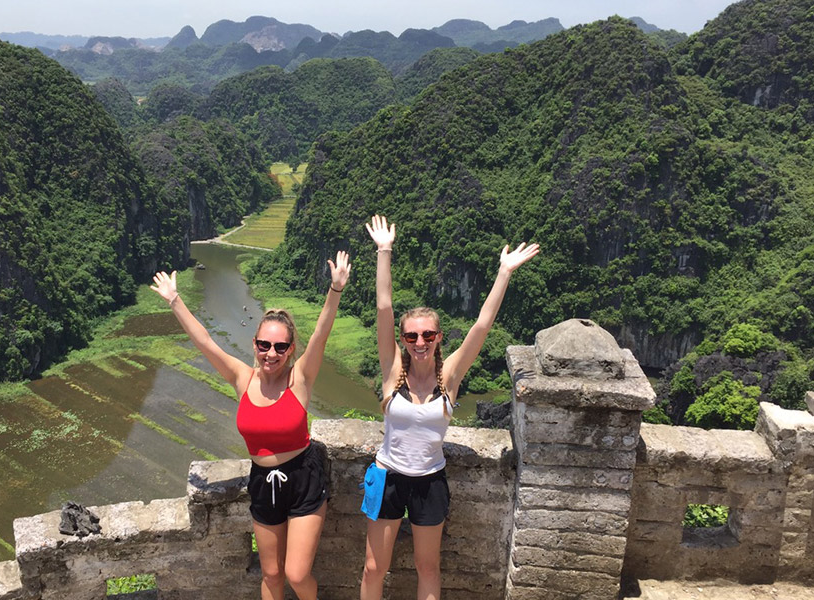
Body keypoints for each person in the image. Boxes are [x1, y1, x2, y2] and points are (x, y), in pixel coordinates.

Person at [150, 251, 351, 600]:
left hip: (303, 478)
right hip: (263, 482)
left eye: (279, 346)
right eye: (263, 344)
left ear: (290, 350)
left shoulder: (300, 378)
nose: (270, 353)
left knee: (297, 573)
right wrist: (175, 301)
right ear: (254, 344)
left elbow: (321, 334)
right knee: (271, 574)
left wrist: (335, 290)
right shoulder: (243, 378)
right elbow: (206, 342)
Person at [361, 215, 539, 600]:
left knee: (429, 567)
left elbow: (481, 326)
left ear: (439, 337)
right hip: (388, 477)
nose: (419, 341)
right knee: (375, 567)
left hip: (429, 482)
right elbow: (383, 306)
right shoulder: (393, 369)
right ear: (403, 339)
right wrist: (384, 251)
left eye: (427, 334)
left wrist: (504, 272)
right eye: (411, 335)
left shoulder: (451, 374)